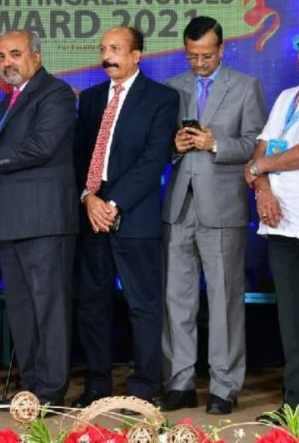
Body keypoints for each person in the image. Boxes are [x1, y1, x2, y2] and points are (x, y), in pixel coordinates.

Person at [0, 30, 78, 406]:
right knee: (22, 311)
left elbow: (42, 147)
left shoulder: (55, 93)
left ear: (36, 57)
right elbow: (3, 159)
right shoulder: (9, 101)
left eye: (15, 54)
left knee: (49, 309)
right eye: (1, 55)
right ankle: (30, 391)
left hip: (44, 221)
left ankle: (51, 392)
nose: (6, 62)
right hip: (12, 223)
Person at [159, 16, 267, 416]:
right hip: (179, 205)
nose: (199, 63)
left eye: (206, 55)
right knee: (176, 298)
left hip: (223, 206)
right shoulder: (174, 87)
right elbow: (160, 146)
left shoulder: (246, 86)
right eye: (192, 55)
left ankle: (224, 386)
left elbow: (256, 143)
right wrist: (175, 145)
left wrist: (215, 142)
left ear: (221, 49)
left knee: (223, 299)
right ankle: (180, 382)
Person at [72, 26, 179, 408]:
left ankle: (143, 388)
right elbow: (79, 156)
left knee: (142, 305)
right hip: (92, 214)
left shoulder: (162, 98)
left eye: (115, 49)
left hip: (134, 215)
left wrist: (113, 203)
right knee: (92, 303)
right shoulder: (90, 99)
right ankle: (97, 384)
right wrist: (89, 198)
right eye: (103, 49)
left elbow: (154, 160)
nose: (107, 56)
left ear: (137, 55)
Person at [245, 22, 299, 429]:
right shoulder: (286, 97)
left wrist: (259, 167)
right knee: (294, 323)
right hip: (281, 225)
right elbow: (259, 152)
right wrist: (263, 189)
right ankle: (297, 406)